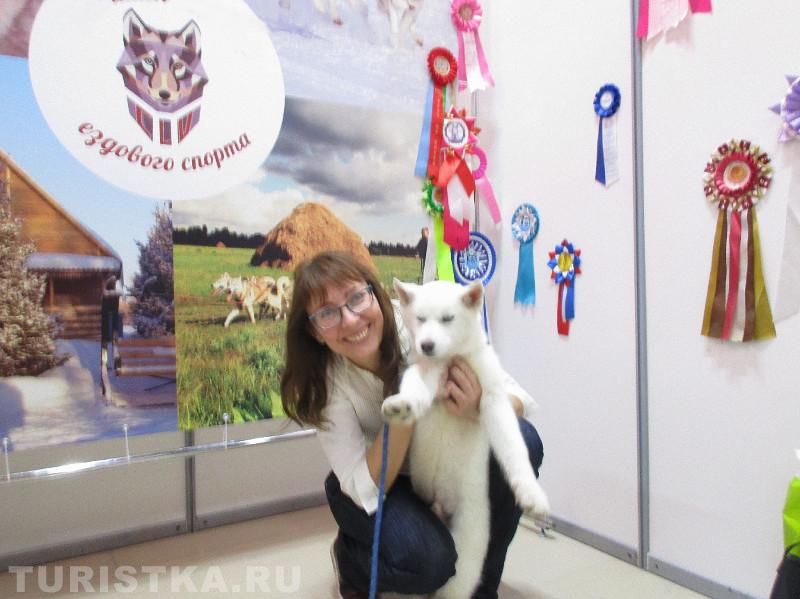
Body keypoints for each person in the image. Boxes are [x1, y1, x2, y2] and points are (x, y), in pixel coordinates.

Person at [281, 251, 544, 599]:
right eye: (327, 313)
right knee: (430, 562)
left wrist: (476, 406)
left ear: (375, 293)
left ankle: (480, 589)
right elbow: (363, 486)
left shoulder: (419, 317)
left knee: (524, 440)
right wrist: (405, 415)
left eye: (356, 298)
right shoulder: (326, 381)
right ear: (314, 331)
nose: (351, 320)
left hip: (433, 465)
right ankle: (353, 559)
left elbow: (517, 398)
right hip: (372, 482)